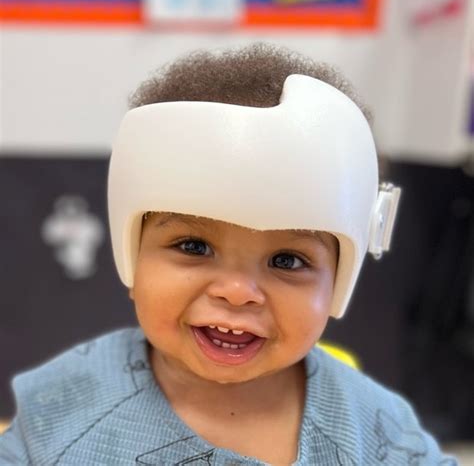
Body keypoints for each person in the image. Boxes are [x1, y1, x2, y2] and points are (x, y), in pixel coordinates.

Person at [0, 43, 456, 465]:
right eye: (194, 247)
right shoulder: (63, 407)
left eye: (287, 260)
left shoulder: (377, 431)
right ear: (131, 249)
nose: (237, 292)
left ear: (340, 277)